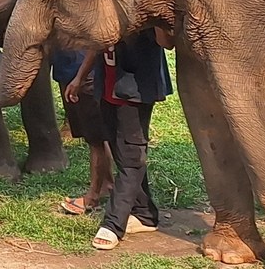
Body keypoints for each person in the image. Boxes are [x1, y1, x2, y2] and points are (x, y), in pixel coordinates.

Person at [93, 25, 175, 250]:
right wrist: (80, 77)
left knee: (131, 157)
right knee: (122, 155)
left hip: (134, 92)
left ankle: (113, 224)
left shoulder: (146, 15)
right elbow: (95, 45)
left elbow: (167, 42)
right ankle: (145, 214)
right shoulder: (106, 10)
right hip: (107, 88)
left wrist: (156, 20)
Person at [54, 47, 113, 219]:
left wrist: (80, 77)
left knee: (96, 139)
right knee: (93, 137)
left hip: (84, 74)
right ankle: (106, 185)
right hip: (68, 72)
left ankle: (93, 197)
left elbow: (95, 44)